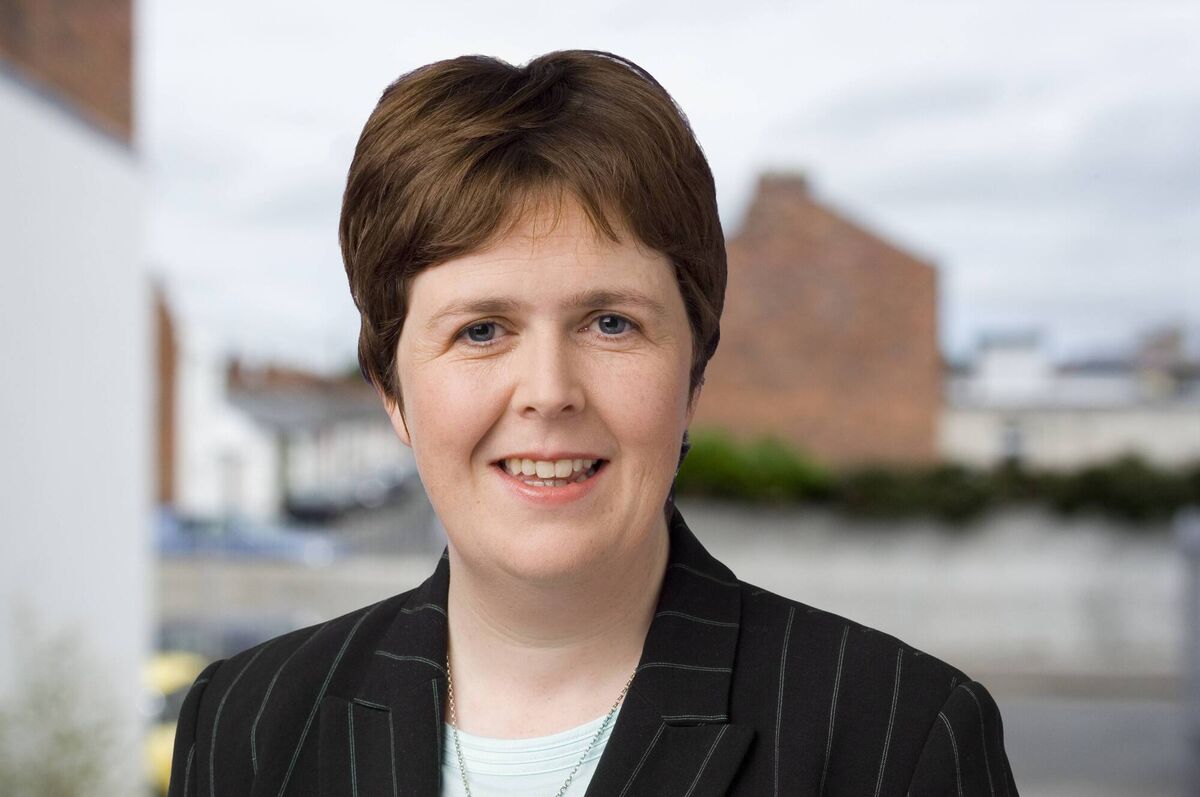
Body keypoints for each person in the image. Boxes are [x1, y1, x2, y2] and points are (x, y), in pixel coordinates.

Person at [168, 49, 1018, 796]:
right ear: (392, 389)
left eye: (611, 322)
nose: (549, 392)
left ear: (693, 371)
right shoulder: (246, 726)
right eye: (481, 330)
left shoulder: (900, 742)